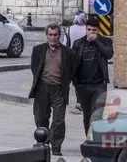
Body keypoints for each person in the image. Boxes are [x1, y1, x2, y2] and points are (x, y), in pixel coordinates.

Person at [29, 23, 73, 156]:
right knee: (40, 117)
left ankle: (56, 146)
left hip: (59, 89)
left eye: (55, 35)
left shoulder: (68, 52)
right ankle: (44, 142)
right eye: (50, 35)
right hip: (42, 87)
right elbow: (34, 67)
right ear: (46, 35)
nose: (53, 38)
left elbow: (71, 70)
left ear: (60, 36)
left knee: (58, 120)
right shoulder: (38, 50)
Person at [72, 16, 114, 135]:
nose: (91, 32)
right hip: (82, 86)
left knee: (97, 115)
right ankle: (89, 139)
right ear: (85, 29)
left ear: (98, 31)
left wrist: (96, 40)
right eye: (89, 30)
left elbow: (109, 54)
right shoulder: (78, 43)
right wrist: (75, 82)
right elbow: (73, 63)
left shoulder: (105, 41)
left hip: (99, 85)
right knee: (87, 115)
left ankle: (95, 141)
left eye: (94, 30)